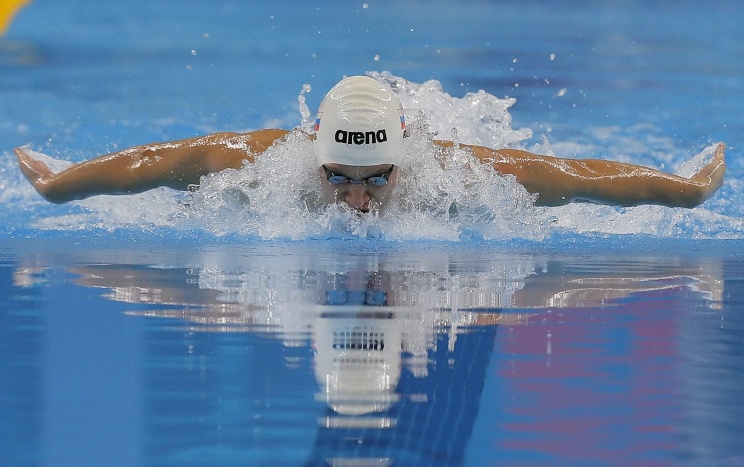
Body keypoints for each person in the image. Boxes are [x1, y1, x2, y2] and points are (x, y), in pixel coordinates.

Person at [14, 76, 725, 212]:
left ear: (403, 158)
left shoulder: (454, 172)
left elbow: (581, 178)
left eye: (376, 180)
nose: (356, 198)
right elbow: (160, 162)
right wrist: (62, 182)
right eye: (340, 179)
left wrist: (683, 192)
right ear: (315, 152)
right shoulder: (272, 161)